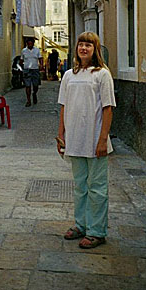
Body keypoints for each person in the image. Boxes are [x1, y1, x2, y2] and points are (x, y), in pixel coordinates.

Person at [57, 31, 116, 249]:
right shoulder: (69, 75)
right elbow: (63, 106)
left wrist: (103, 139)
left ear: (95, 49)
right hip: (74, 139)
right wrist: (61, 135)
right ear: (76, 48)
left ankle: (97, 231)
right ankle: (80, 225)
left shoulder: (102, 75)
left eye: (88, 45)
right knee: (80, 186)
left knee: (97, 187)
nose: (84, 48)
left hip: (95, 139)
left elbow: (108, 109)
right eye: (81, 44)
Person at [20, 37, 43, 107]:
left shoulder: (37, 50)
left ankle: (34, 93)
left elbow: (40, 58)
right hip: (27, 70)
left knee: (36, 85)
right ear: (27, 44)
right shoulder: (23, 51)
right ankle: (28, 100)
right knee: (27, 86)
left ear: (33, 43)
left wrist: (41, 65)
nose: (30, 45)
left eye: (31, 43)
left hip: (35, 69)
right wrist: (21, 66)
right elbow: (21, 60)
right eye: (28, 43)